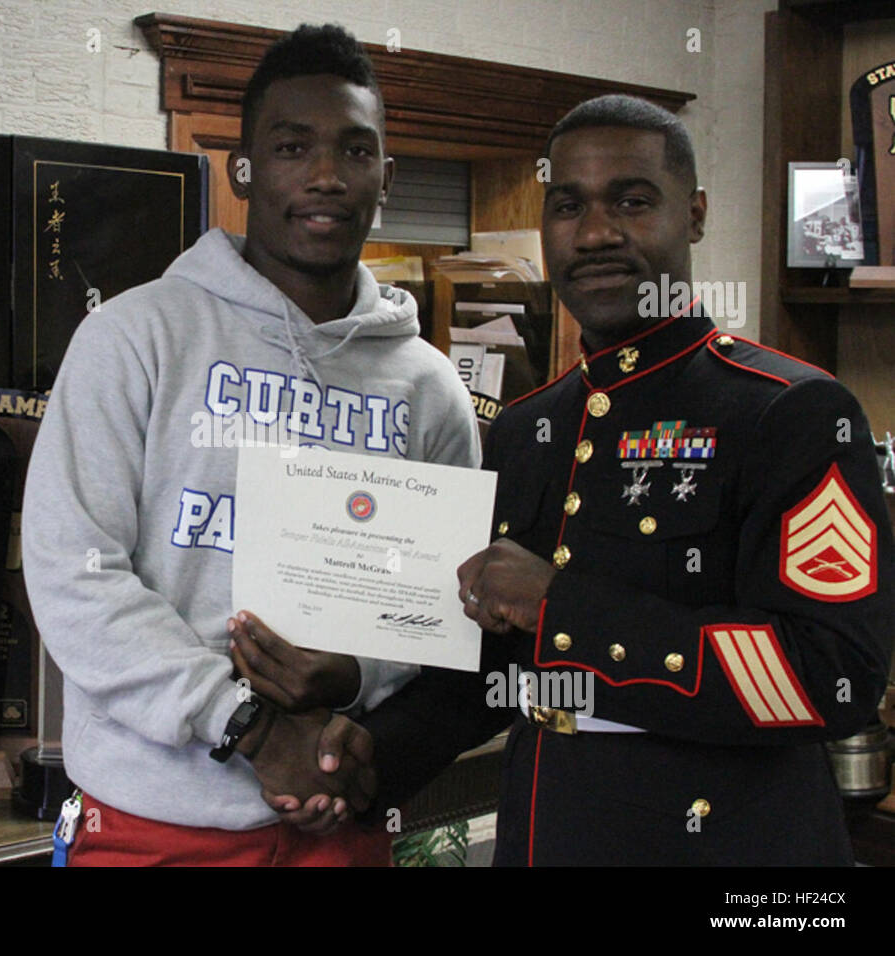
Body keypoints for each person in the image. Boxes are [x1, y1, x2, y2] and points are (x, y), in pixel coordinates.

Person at [254, 94, 894, 864]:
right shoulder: (527, 430)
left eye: (631, 200)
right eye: (568, 205)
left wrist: (564, 606)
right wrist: (365, 757)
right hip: (549, 835)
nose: (595, 233)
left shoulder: (790, 413)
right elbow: (491, 671)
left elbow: (831, 678)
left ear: (692, 214)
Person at [20, 23, 479, 866]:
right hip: (152, 824)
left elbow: (435, 612)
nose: (326, 176)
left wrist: (353, 679)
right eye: (292, 147)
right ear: (245, 168)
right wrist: (250, 726)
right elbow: (73, 575)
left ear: (386, 177)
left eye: (355, 150)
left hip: (340, 816)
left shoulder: (429, 388)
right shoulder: (134, 337)